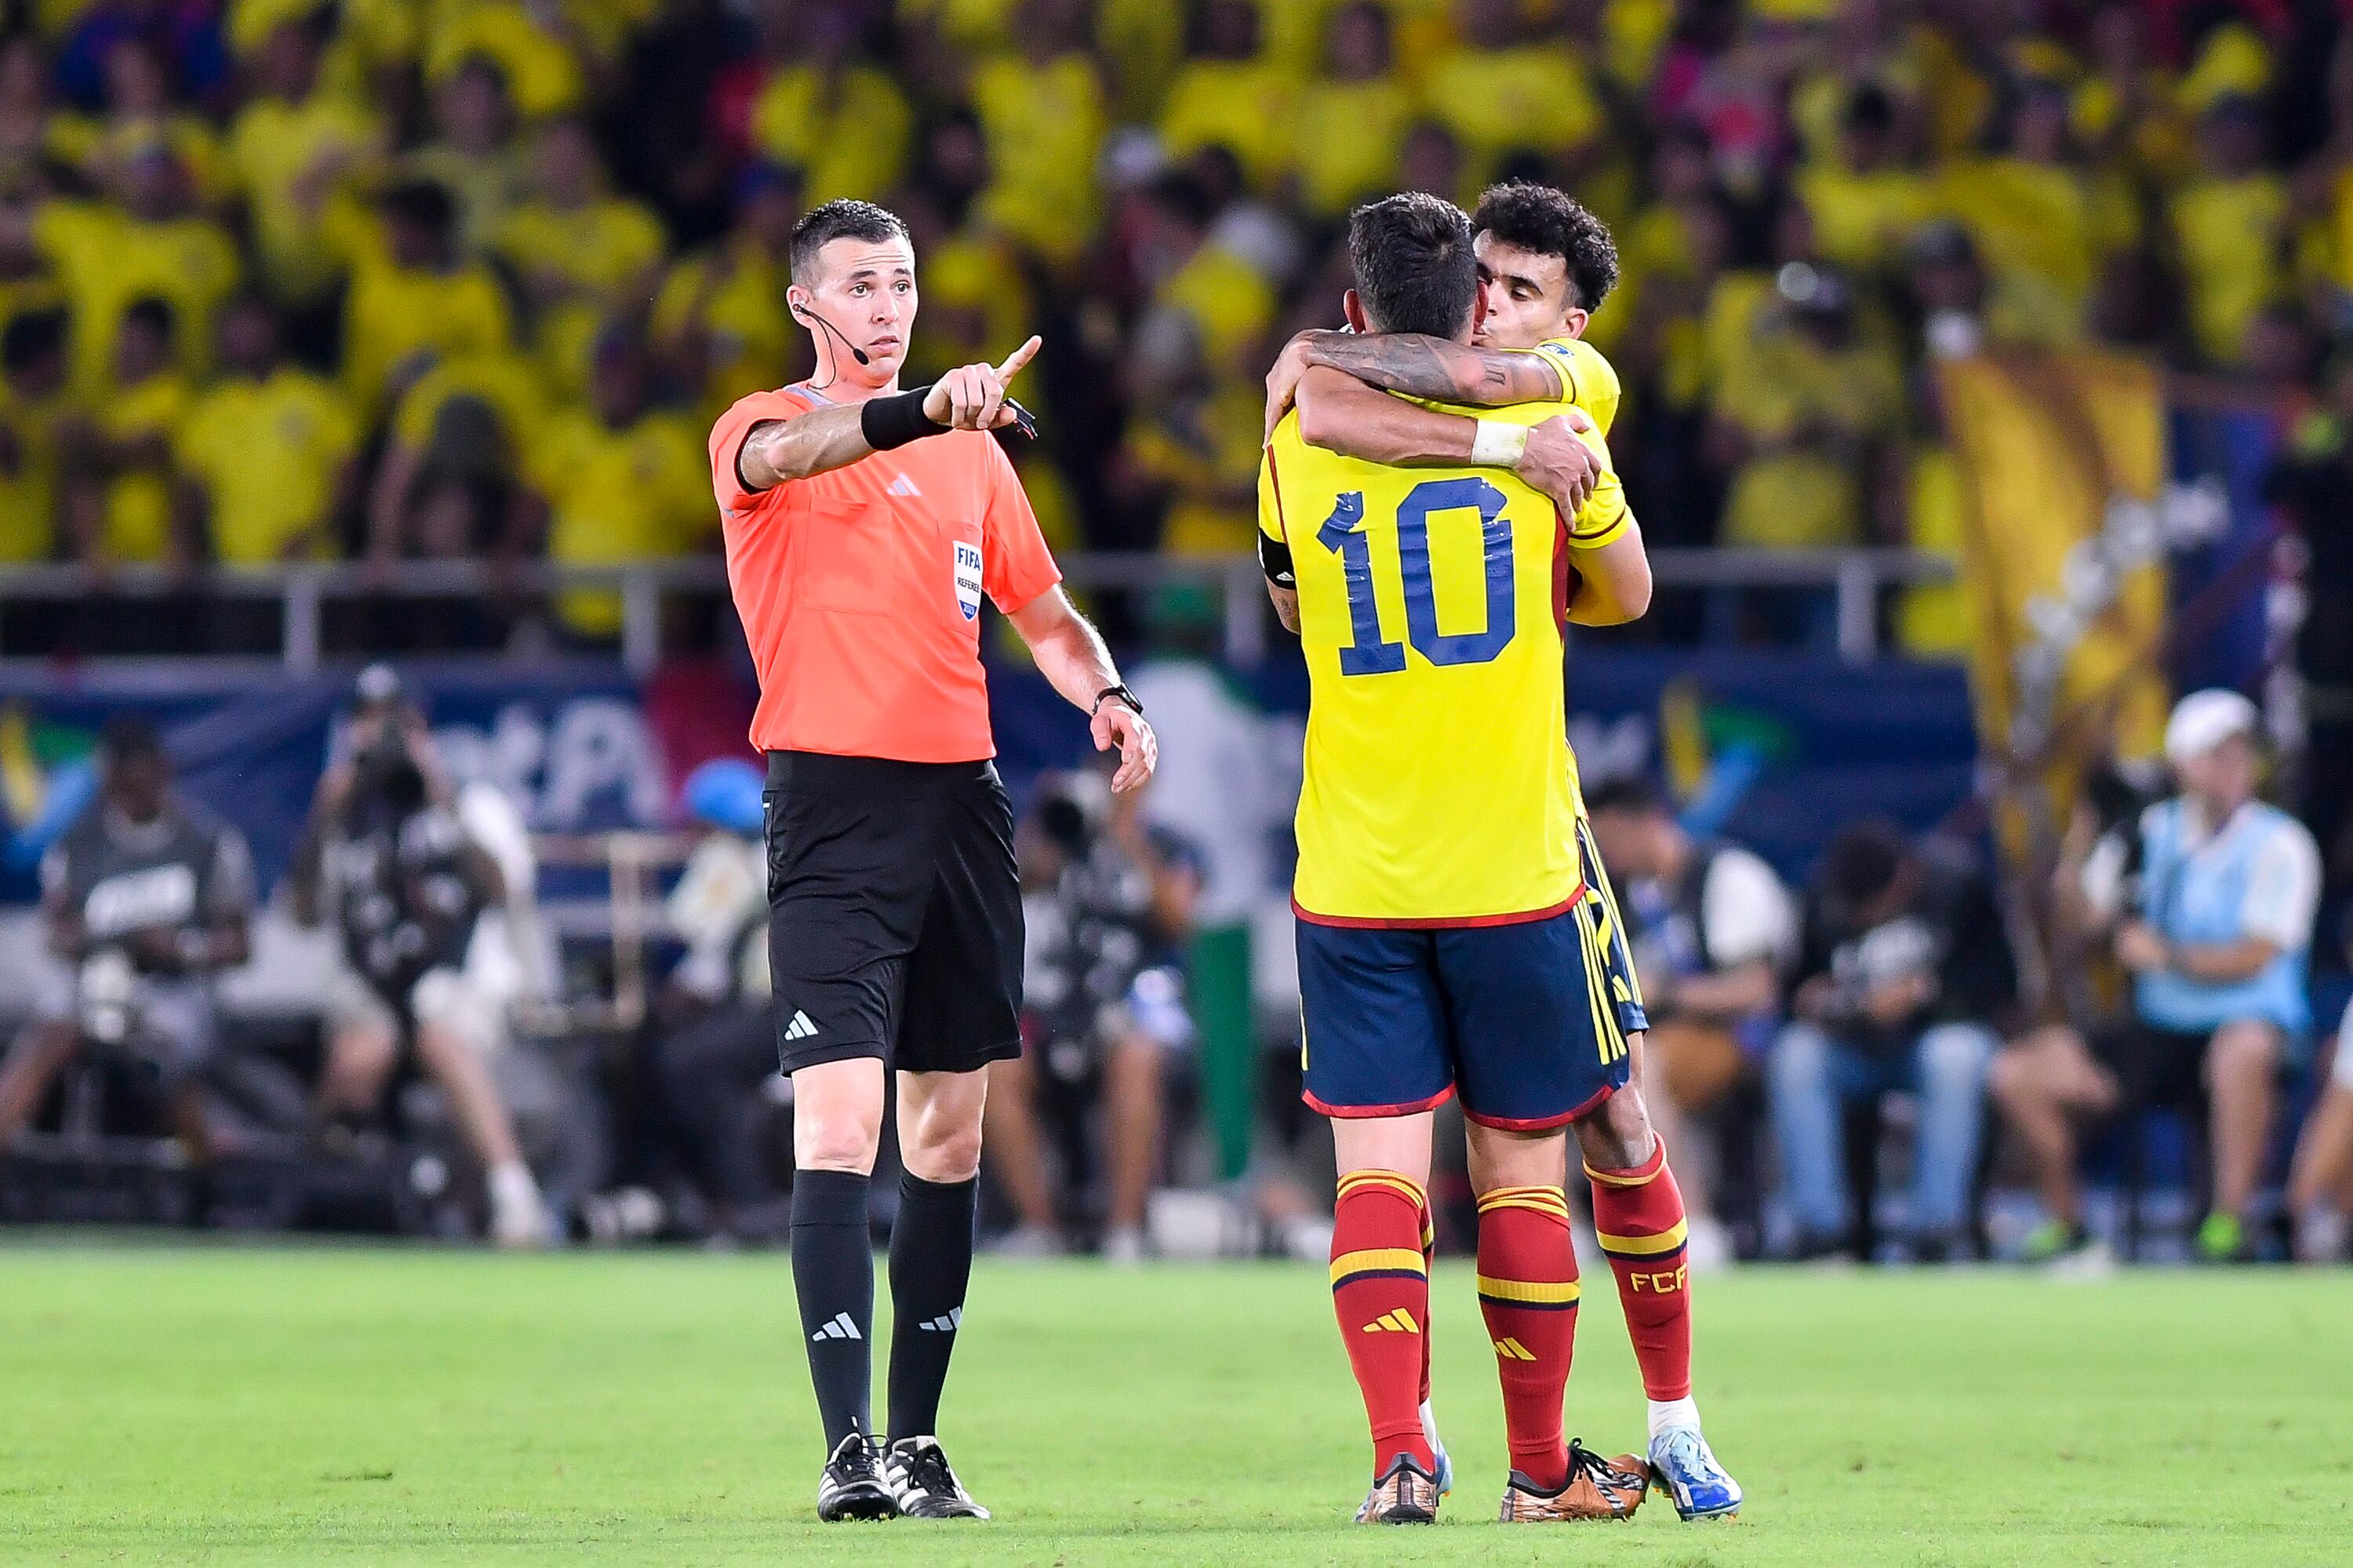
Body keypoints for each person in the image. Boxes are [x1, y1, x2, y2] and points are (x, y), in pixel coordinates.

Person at [1264, 179, 1741, 1523]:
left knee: (1382, 1170)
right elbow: (1631, 592)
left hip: (1354, 866)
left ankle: (1402, 1457)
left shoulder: (1303, 429)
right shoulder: (1553, 422)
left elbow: (1290, 601)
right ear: (1468, 305)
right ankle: (1540, 1467)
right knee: (1523, 1164)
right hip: (1513, 862)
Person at [706, 198, 1157, 1523]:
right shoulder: (758, 427)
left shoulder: (975, 463)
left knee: (948, 1133)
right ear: (808, 304)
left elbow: (1046, 611)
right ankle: (847, 1445)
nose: (887, 304)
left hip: (962, 806)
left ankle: (916, 1439)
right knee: (837, 1119)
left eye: (901, 281)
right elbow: (800, 450)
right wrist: (924, 413)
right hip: (833, 809)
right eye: (859, 284)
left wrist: (1109, 694)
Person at [1991, 690, 2319, 1264]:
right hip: (2159, 1027)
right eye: (2215, 755)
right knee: (2018, 1072)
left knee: (2241, 1050)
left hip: (2249, 1022)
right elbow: (2084, 917)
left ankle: (2227, 1224)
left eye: (2240, 754)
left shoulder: (2281, 842)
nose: (2231, 769)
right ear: (2182, 765)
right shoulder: (2148, 832)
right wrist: (2083, 835)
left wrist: (2167, 956)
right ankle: (2070, 1225)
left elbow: (2259, 954)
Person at [289, 665, 548, 1248]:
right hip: (372, 986)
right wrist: (323, 816)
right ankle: (331, 1196)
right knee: (362, 1052)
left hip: (461, 985)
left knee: (437, 1034)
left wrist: (443, 798)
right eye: (367, 721)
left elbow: (506, 888)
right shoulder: (344, 815)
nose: (379, 736)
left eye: (393, 722)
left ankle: (515, 1196)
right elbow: (302, 913)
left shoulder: (470, 802)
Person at [0, 718, 253, 1159]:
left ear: (159, 771)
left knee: (168, 1058)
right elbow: (56, 933)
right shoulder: (79, 845)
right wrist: (98, 942)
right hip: (95, 980)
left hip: (174, 988)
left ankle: (207, 1179)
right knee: (43, 1039)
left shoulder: (206, 843)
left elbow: (239, 946)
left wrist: (178, 950)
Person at [1769, 821, 2012, 1261]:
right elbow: (1794, 991)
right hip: (1854, 1048)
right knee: (1796, 1055)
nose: (1859, 917)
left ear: (1903, 879)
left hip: (1934, 1041)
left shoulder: (1957, 885)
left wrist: (1924, 995)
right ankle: (1821, 1231)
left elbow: (2001, 985)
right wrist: (1820, 1000)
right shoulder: (1825, 895)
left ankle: (1938, 1228)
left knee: (1952, 1057)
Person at [984, 768, 1199, 1261]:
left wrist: (1127, 839)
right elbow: (1005, 896)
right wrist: (1047, 842)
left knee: (1137, 1059)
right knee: (996, 1070)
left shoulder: (1166, 842)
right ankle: (1039, 1227)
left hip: (1130, 1004)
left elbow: (1179, 919)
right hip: (1056, 1007)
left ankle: (1123, 1230)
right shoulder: (1062, 833)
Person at [1586, 773, 1798, 1268]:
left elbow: (1756, 989)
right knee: (1588, 1068)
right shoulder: (1624, 895)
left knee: (1642, 1069)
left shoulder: (1727, 875)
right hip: (1655, 1034)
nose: (1607, 853)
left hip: (1733, 1038)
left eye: (1612, 840)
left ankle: (1693, 1224)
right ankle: (1581, 1227)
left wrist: (1667, 992)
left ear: (1648, 823)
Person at [655, 757, 787, 1241]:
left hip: (774, 1007)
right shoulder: (786, 848)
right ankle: (737, 1199)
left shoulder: (728, 859)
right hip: (827, 1005)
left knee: (692, 1063)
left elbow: (697, 967)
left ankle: (744, 1201)